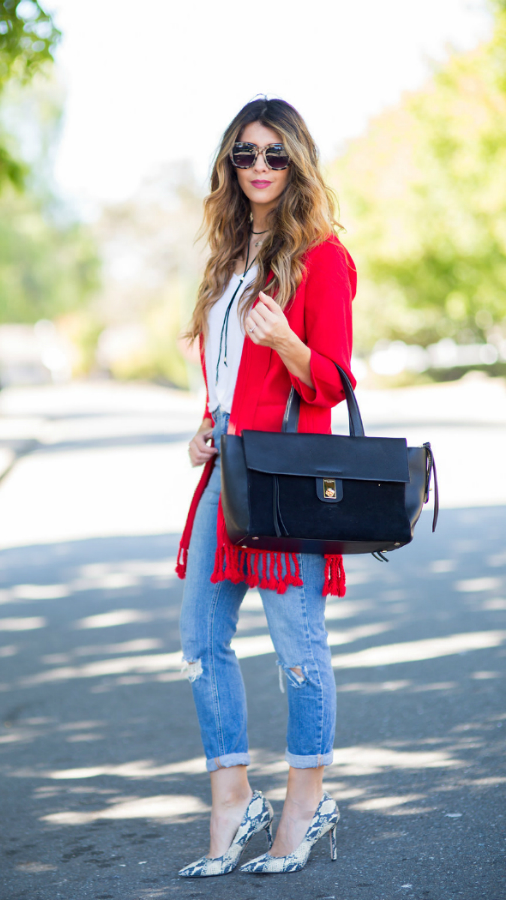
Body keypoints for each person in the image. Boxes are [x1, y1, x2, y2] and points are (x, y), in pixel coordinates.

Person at [175, 97, 357, 877]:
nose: (258, 167)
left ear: (297, 163)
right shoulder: (226, 257)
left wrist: (286, 340)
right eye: (244, 154)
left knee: (297, 647)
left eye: (274, 155)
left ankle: (306, 804)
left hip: (287, 478)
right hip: (228, 466)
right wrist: (204, 425)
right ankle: (232, 798)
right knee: (200, 642)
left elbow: (334, 383)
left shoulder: (324, 256)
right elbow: (224, 369)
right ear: (228, 164)